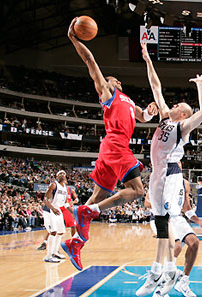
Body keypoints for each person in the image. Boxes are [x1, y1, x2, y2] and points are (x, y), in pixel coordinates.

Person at [61, 17, 158, 271]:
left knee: (99, 194)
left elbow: (142, 116)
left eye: (115, 80)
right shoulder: (107, 93)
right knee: (137, 191)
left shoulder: (127, 100)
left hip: (112, 149)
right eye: (111, 79)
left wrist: (150, 111)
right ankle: (88, 210)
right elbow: (90, 62)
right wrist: (73, 38)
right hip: (116, 144)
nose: (115, 81)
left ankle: (76, 243)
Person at [136, 42, 202, 297]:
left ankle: (168, 270)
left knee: (167, 219)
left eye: (179, 104)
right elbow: (156, 86)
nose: (175, 104)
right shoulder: (165, 118)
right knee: (159, 219)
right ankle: (158, 271)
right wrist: (148, 59)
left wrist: (200, 86)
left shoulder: (182, 127)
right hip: (156, 173)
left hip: (171, 174)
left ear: (183, 114)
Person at [43, 170, 69, 263]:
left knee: (61, 232)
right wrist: (53, 209)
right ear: (57, 176)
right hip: (49, 210)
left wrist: (73, 212)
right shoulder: (53, 185)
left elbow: (66, 203)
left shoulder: (65, 187)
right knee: (53, 232)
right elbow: (45, 199)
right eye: (60, 174)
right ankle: (48, 256)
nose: (62, 175)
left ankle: (55, 252)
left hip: (58, 211)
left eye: (64, 173)